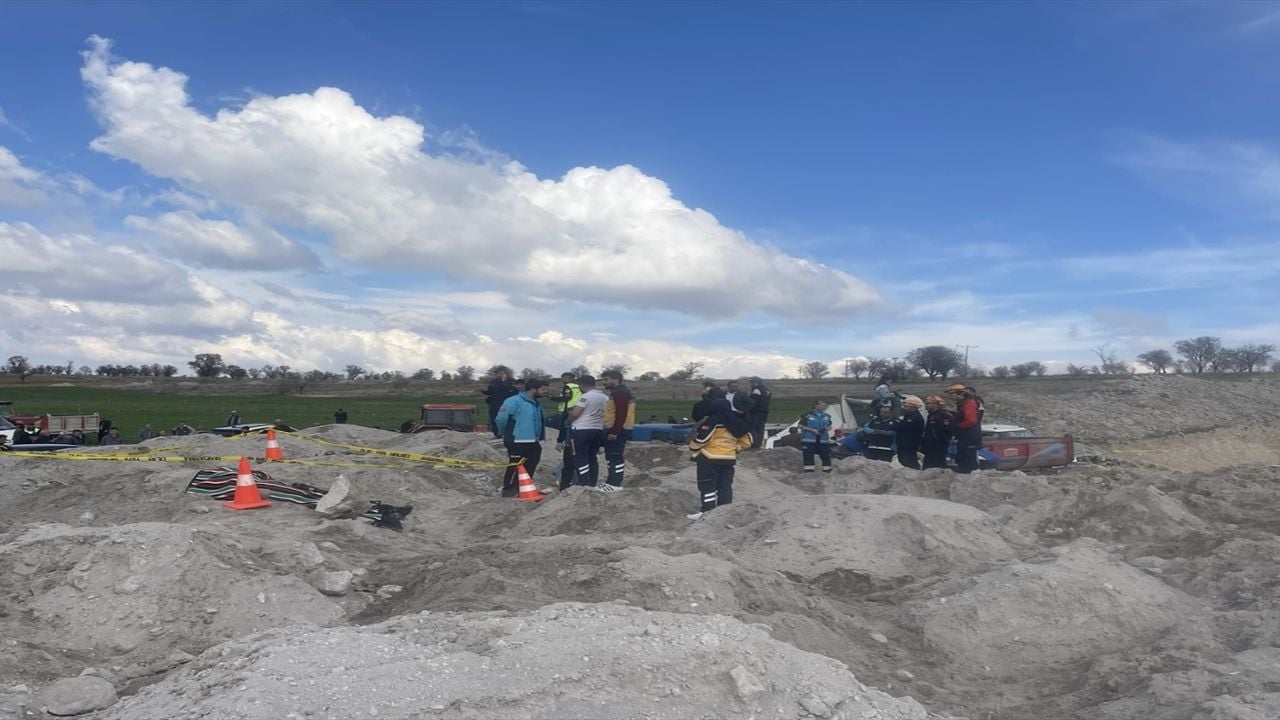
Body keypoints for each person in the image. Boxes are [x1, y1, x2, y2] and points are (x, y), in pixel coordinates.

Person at [686, 389, 752, 520]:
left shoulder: (713, 421)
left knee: (707, 485)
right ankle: (725, 512)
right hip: (729, 459)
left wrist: (693, 450)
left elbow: (702, 439)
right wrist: (736, 448)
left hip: (709, 458)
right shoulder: (737, 421)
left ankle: (707, 512)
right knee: (725, 485)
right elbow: (748, 441)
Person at [495, 378, 549, 497]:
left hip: (532, 440)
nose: (545, 392)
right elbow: (501, 418)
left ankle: (523, 487)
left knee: (532, 462)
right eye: (543, 389)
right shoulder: (513, 401)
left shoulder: (536, 403)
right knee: (515, 464)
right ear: (533, 389)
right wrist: (505, 432)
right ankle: (509, 489)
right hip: (517, 439)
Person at [565, 375, 608, 487]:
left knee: (580, 457)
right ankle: (592, 482)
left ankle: (583, 482)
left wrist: (569, 418)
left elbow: (575, 413)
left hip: (581, 430)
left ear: (582, 385)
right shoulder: (604, 397)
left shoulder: (585, 397)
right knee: (592, 457)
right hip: (597, 429)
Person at [599, 370, 636, 493]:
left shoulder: (620, 393)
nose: (604, 382)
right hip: (616, 429)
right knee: (611, 457)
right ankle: (610, 482)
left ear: (615, 379)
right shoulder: (617, 392)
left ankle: (615, 483)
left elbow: (621, 414)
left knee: (615, 457)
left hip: (618, 430)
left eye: (606, 379)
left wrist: (614, 431)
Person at [948, 383, 982, 473]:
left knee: (969, 461)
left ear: (960, 393)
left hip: (969, 437)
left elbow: (971, 421)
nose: (951, 397)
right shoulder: (962, 404)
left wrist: (958, 426)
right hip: (965, 437)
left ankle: (971, 478)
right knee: (962, 458)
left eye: (952, 395)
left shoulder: (968, 404)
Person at [798, 400, 834, 472]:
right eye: (821, 405)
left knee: (825, 455)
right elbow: (800, 426)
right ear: (816, 406)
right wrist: (811, 430)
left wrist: (826, 429)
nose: (823, 407)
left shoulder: (827, 416)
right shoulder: (807, 415)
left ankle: (827, 470)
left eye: (824, 405)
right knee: (808, 455)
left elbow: (829, 426)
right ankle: (809, 471)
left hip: (823, 439)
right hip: (809, 439)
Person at [921, 394, 955, 469]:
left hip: (938, 445)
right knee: (928, 465)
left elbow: (948, 430)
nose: (926, 406)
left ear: (935, 404)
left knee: (938, 465)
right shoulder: (931, 415)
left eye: (927, 404)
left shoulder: (943, 415)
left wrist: (940, 441)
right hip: (930, 445)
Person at [481, 369, 516, 439]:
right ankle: (497, 434)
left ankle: (507, 433)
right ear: (496, 374)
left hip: (505, 402)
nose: (501, 375)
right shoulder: (493, 382)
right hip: (494, 402)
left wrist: (504, 381)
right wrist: (483, 391)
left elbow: (511, 388)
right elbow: (490, 392)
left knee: (505, 418)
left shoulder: (511, 381)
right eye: (499, 373)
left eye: (502, 373)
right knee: (493, 418)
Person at [895, 397, 925, 469]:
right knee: (903, 460)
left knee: (909, 461)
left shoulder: (916, 417)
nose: (904, 408)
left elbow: (902, 427)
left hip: (910, 444)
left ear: (913, 407)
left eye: (906, 406)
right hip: (902, 442)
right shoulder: (907, 416)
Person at [747, 376, 772, 449]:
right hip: (765, 412)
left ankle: (755, 444)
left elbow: (753, 402)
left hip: (756, 412)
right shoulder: (768, 391)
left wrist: (748, 410)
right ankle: (759, 444)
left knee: (753, 427)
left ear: (756, 382)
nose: (750, 384)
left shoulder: (756, 390)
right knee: (761, 428)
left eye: (752, 382)